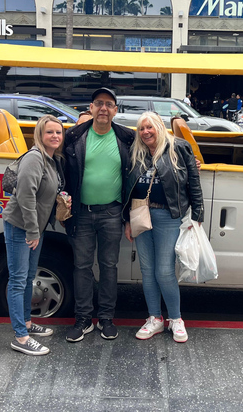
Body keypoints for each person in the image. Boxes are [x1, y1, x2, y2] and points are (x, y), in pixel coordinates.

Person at [63, 88, 135, 342]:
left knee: (109, 267)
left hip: (112, 213)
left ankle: (106, 318)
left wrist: (188, 159)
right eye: (99, 103)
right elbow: (54, 160)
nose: (103, 108)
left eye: (109, 104)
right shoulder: (73, 138)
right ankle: (83, 319)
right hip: (81, 213)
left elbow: (155, 150)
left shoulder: (127, 139)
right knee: (81, 267)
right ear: (90, 108)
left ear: (116, 111)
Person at [124, 112, 204, 343]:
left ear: (159, 127)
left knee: (164, 271)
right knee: (147, 271)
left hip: (168, 215)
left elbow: (194, 183)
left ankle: (176, 319)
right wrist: (127, 220)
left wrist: (197, 214)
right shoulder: (136, 152)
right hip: (140, 214)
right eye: (141, 129)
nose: (146, 132)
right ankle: (155, 318)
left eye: (150, 127)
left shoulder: (178, 147)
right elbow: (128, 187)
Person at [2, 115, 66, 356]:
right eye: (50, 132)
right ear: (40, 134)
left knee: (28, 277)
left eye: (58, 133)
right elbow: (25, 195)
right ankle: (21, 336)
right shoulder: (34, 157)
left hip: (33, 228)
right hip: (21, 226)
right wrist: (32, 230)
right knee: (18, 280)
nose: (55, 136)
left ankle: (27, 323)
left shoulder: (50, 159)